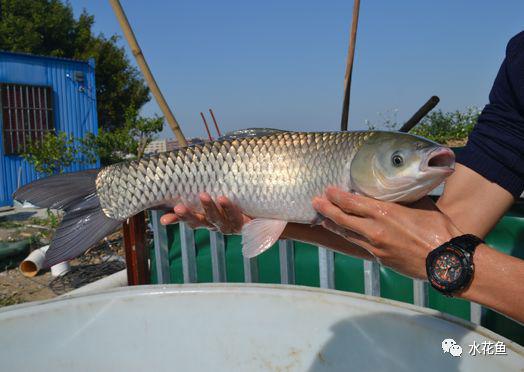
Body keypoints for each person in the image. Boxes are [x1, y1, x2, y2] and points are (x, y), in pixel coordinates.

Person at [161, 31, 524, 323]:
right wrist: (269, 216)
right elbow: (451, 228)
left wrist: (459, 267)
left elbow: (441, 248)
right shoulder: (518, 66)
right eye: (397, 161)